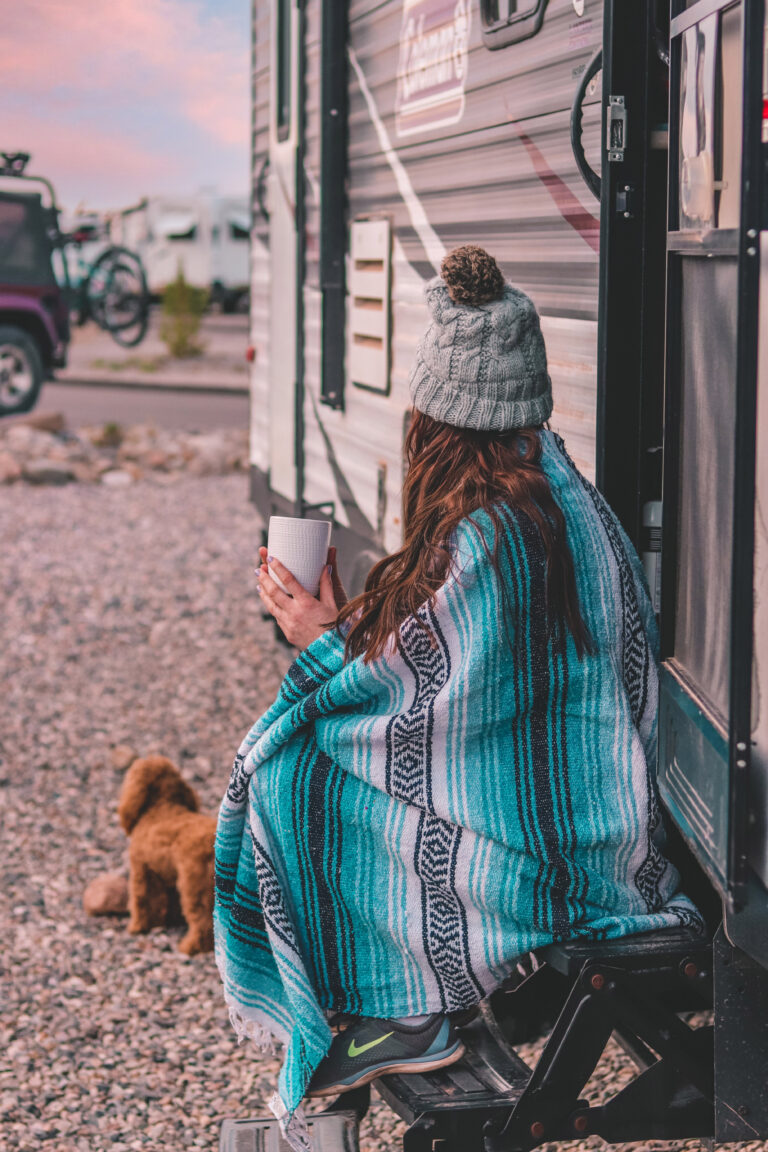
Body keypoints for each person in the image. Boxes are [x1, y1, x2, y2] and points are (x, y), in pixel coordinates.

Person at [214, 246, 700, 1148]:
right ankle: (390, 1008)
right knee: (305, 759)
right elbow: (450, 692)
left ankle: (404, 1011)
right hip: (596, 827)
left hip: (560, 862)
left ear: (438, 417)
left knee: (288, 776)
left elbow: (404, 716)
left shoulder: (493, 537)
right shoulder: (558, 497)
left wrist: (315, 641)